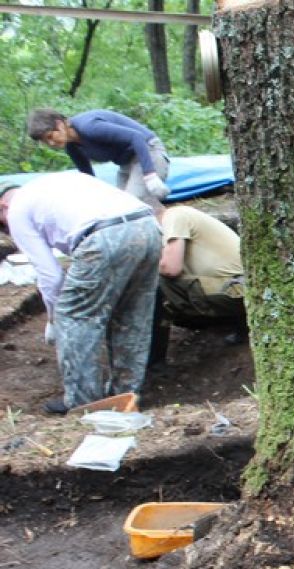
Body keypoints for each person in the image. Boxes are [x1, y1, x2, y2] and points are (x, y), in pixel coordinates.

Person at [0, 174, 160, 414]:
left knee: (74, 316)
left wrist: (55, 319)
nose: (7, 229)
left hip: (104, 236)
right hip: (149, 227)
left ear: (2, 206)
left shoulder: (16, 212)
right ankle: (126, 394)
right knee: (132, 317)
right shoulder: (53, 184)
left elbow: (51, 276)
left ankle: (83, 402)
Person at [150, 206, 247, 362]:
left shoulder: (175, 216)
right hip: (239, 287)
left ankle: (154, 361)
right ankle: (235, 325)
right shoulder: (186, 214)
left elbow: (171, 268)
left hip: (234, 290)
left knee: (155, 284)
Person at [27, 108, 171, 208]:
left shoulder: (89, 127)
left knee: (130, 207)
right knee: (117, 209)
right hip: (127, 164)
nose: (51, 143)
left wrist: (150, 175)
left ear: (59, 124)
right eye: (46, 142)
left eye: (50, 136)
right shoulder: (72, 147)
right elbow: (89, 179)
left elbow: (136, 137)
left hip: (148, 152)